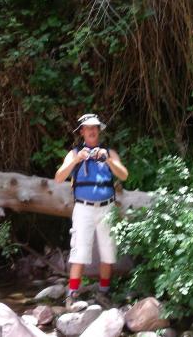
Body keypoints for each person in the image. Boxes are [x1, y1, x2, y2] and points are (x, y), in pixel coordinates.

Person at [55, 113, 129, 300]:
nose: (92, 130)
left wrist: (108, 160)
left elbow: (124, 175)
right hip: (83, 209)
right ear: (82, 132)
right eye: (88, 128)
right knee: (79, 251)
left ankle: (104, 292)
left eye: (95, 127)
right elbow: (58, 178)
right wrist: (76, 160)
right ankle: (72, 293)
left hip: (107, 208)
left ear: (99, 130)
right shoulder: (74, 153)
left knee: (108, 251)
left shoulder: (109, 152)